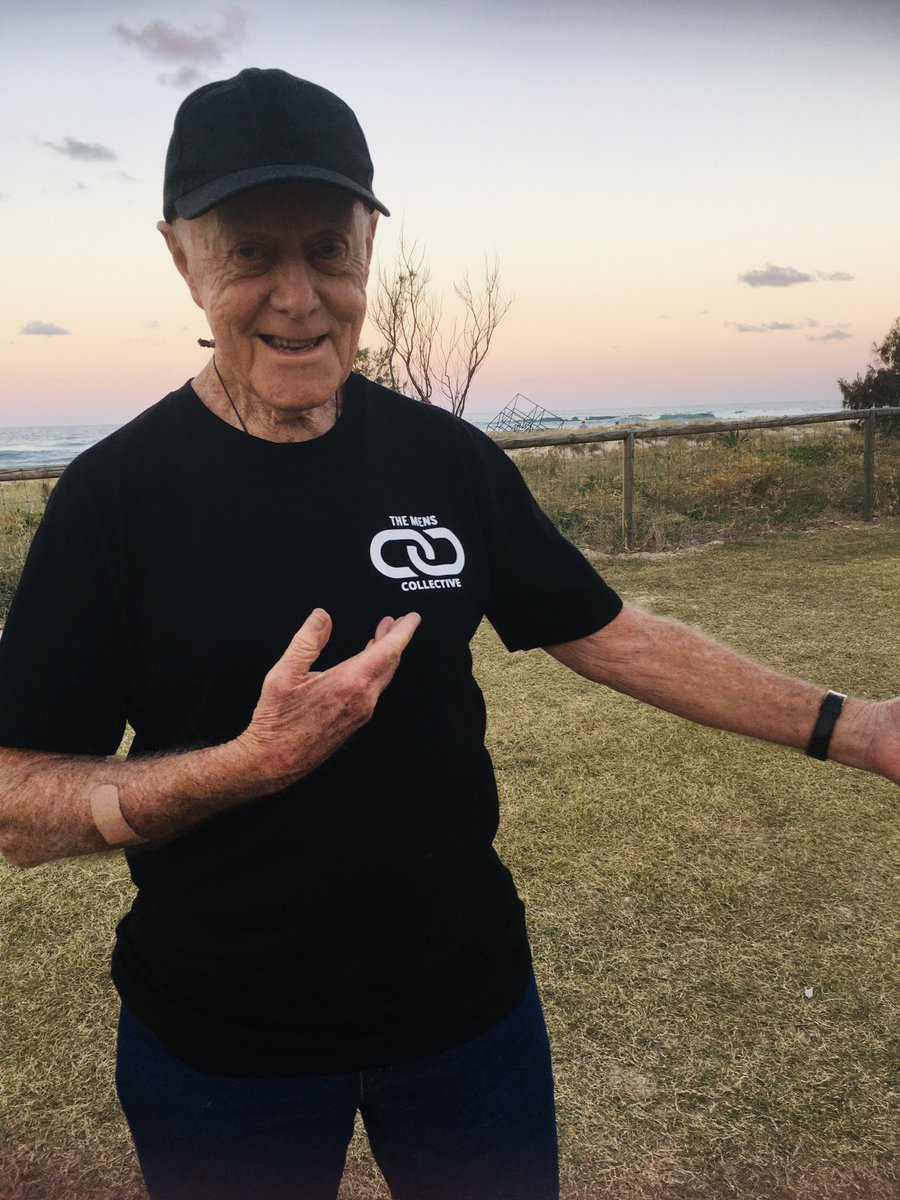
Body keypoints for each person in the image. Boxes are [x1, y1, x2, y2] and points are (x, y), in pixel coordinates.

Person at [0, 68, 896, 1200]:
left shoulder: (445, 461)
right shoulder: (113, 499)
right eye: (251, 254)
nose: (297, 295)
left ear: (370, 248)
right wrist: (242, 767)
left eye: (327, 248)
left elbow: (611, 633)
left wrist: (861, 729)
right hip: (225, 1045)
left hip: (466, 1020)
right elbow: (14, 804)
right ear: (182, 256)